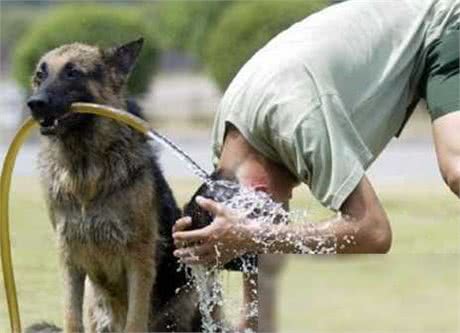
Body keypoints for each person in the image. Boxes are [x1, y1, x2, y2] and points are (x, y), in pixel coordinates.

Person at [173, 0, 460, 331]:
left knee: (455, 168)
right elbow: (258, 235)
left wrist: (250, 235)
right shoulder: (229, 151)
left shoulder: (297, 120)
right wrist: (252, 317)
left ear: (258, 192)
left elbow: (374, 231)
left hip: (445, 22)